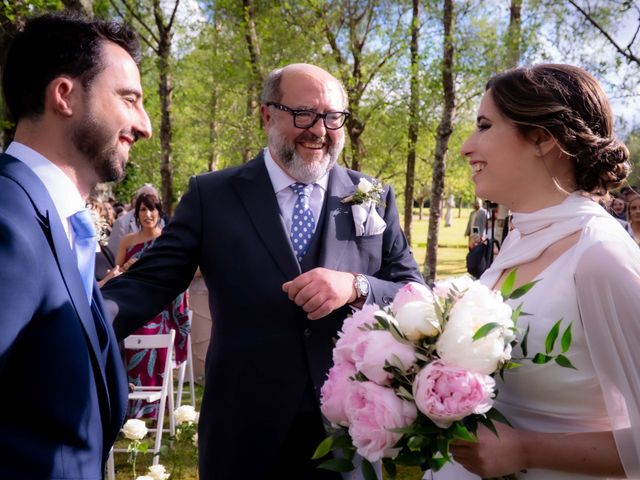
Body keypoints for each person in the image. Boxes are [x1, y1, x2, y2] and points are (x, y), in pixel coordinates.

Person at [103, 62, 424, 480]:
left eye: (333, 117)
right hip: (244, 429)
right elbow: (150, 280)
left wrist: (357, 286)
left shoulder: (373, 196)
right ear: (267, 114)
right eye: (304, 113)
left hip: (346, 431)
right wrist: (76, 320)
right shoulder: (212, 195)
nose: (319, 130)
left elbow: (412, 290)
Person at [432, 64, 640, 480]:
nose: (466, 147)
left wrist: (527, 448)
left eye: (485, 126)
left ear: (543, 138)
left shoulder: (600, 255)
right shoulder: (519, 239)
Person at [0, 12, 151, 479]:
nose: (143, 125)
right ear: (64, 95)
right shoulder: (8, 219)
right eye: (129, 100)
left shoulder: (57, 221)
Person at [112, 191, 190, 418]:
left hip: (158, 307)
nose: (148, 214)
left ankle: (150, 409)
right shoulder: (128, 241)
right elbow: (117, 273)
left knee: (150, 328)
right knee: (121, 331)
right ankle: (126, 407)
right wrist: (127, 266)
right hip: (131, 303)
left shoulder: (166, 239)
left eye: (152, 209)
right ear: (136, 215)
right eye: (143, 210)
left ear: (159, 212)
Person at [107, 183, 163, 253]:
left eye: (153, 199)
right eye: (146, 198)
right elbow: (112, 255)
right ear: (137, 201)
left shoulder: (161, 221)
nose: (149, 202)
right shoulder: (122, 223)